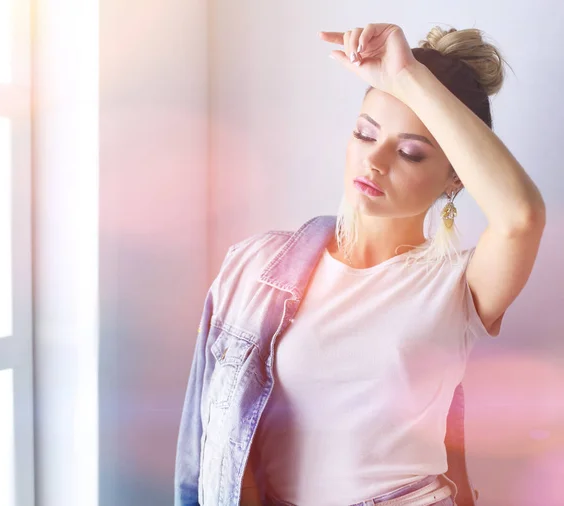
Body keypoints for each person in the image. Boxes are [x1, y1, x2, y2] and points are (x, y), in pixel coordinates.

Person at [174, 23, 546, 506]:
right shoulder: (256, 266)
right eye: (364, 134)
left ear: (454, 178)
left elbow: (521, 217)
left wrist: (408, 75)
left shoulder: (457, 287)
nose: (375, 161)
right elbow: (198, 451)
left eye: (410, 153)